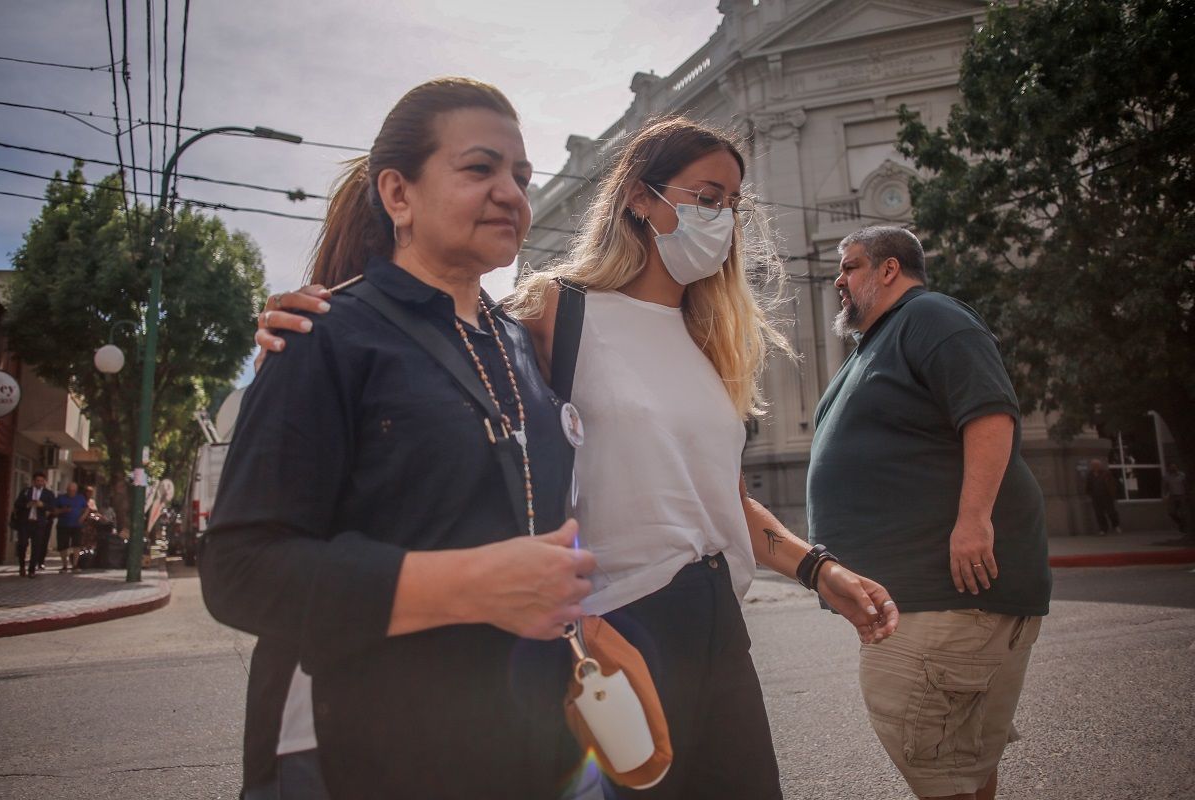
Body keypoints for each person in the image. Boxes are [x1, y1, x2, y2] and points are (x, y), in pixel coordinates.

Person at [259, 114, 900, 799]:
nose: (724, 219)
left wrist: (816, 568)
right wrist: (323, 312)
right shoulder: (553, 313)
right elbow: (435, 370)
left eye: (733, 206)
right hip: (620, 627)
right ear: (639, 198)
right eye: (706, 198)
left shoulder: (708, 336)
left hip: (722, 629)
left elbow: (722, 497)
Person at [200, 78, 597, 800]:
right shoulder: (325, 335)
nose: (511, 192)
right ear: (399, 195)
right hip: (362, 754)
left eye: (521, 175)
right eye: (480, 169)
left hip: (528, 746)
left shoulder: (521, 346)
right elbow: (239, 571)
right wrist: (469, 586)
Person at [807, 225, 1051, 800]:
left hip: (944, 597)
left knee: (943, 772)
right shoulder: (879, 340)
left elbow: (989, 414)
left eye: (851, 266)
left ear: (889, 269)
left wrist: (973, 521)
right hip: (924, 600)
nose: (839, 280)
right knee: (962, 763)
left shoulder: (932, 316)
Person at [13, 472, 55, 577]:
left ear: (45, 482)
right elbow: (17, 504)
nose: (39, 483)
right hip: (25, 523)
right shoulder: (26, 491)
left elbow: (52, 508)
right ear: (33, 481)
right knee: (22, 544)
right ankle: (22, 566)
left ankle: (32, 570)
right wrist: (27, 505)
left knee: (36, 547)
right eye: (37, 481)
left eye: (42, 481)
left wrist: (43, 505)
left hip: (39, 524)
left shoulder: (48, 494)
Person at [53, 482, 87, 572]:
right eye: (70, 490)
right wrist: (63, 510)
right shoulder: (61, 498)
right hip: (63, 525)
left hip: (77, 525)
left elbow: (86, 508)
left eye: (74, 491)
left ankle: (75, 565)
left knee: (77, 545)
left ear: (76, 491)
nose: (72, 492)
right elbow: (54, 511)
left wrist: (83, 517)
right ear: (67, 490)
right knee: (63, 546)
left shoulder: (80, 498)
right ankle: (64, 565)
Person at [1085, 458, 1122, 536]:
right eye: (1093, 465)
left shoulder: (1106, 473)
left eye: (1097, 465)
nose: (1095, 466)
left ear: (1100, 465)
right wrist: (1089, 494)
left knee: (1111, 512)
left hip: (1107, 497)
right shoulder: (1090, 475)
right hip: (1096, 498)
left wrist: (1113, 494)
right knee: (1099, 514)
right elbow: (1088, 485)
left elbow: (1112, 484)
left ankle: (1116, 525)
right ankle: (1103, 529)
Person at [1162, 462, 1189, 536]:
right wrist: (1164, 495)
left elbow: (1186, 485)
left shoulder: (1182, 475)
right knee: (1171, 512)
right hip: (1173, 496)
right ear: (1169, 468)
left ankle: (1184, 528)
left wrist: (1187, 495)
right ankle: (1180, 523)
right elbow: (1165, 487)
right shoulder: (1166, 477)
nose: (1173, 469)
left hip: (1182, 495)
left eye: (1174, 467)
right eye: (1171, 467)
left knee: (1183, 513)